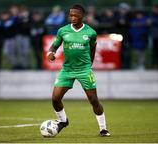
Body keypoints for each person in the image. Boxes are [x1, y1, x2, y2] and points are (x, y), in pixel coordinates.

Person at [47, 4, 110, 137]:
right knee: (55, 98)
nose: (73, 17)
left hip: (84, 70)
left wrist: (89, 65)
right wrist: (50, 53)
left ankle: (103, 129)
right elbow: (54, 45)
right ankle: (63, 121)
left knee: (93, 99)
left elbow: (93, 48)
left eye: (76, 15)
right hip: (67, 70)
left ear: (83, 16)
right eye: (71, 15)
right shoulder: (63, 31)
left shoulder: (91, 32)